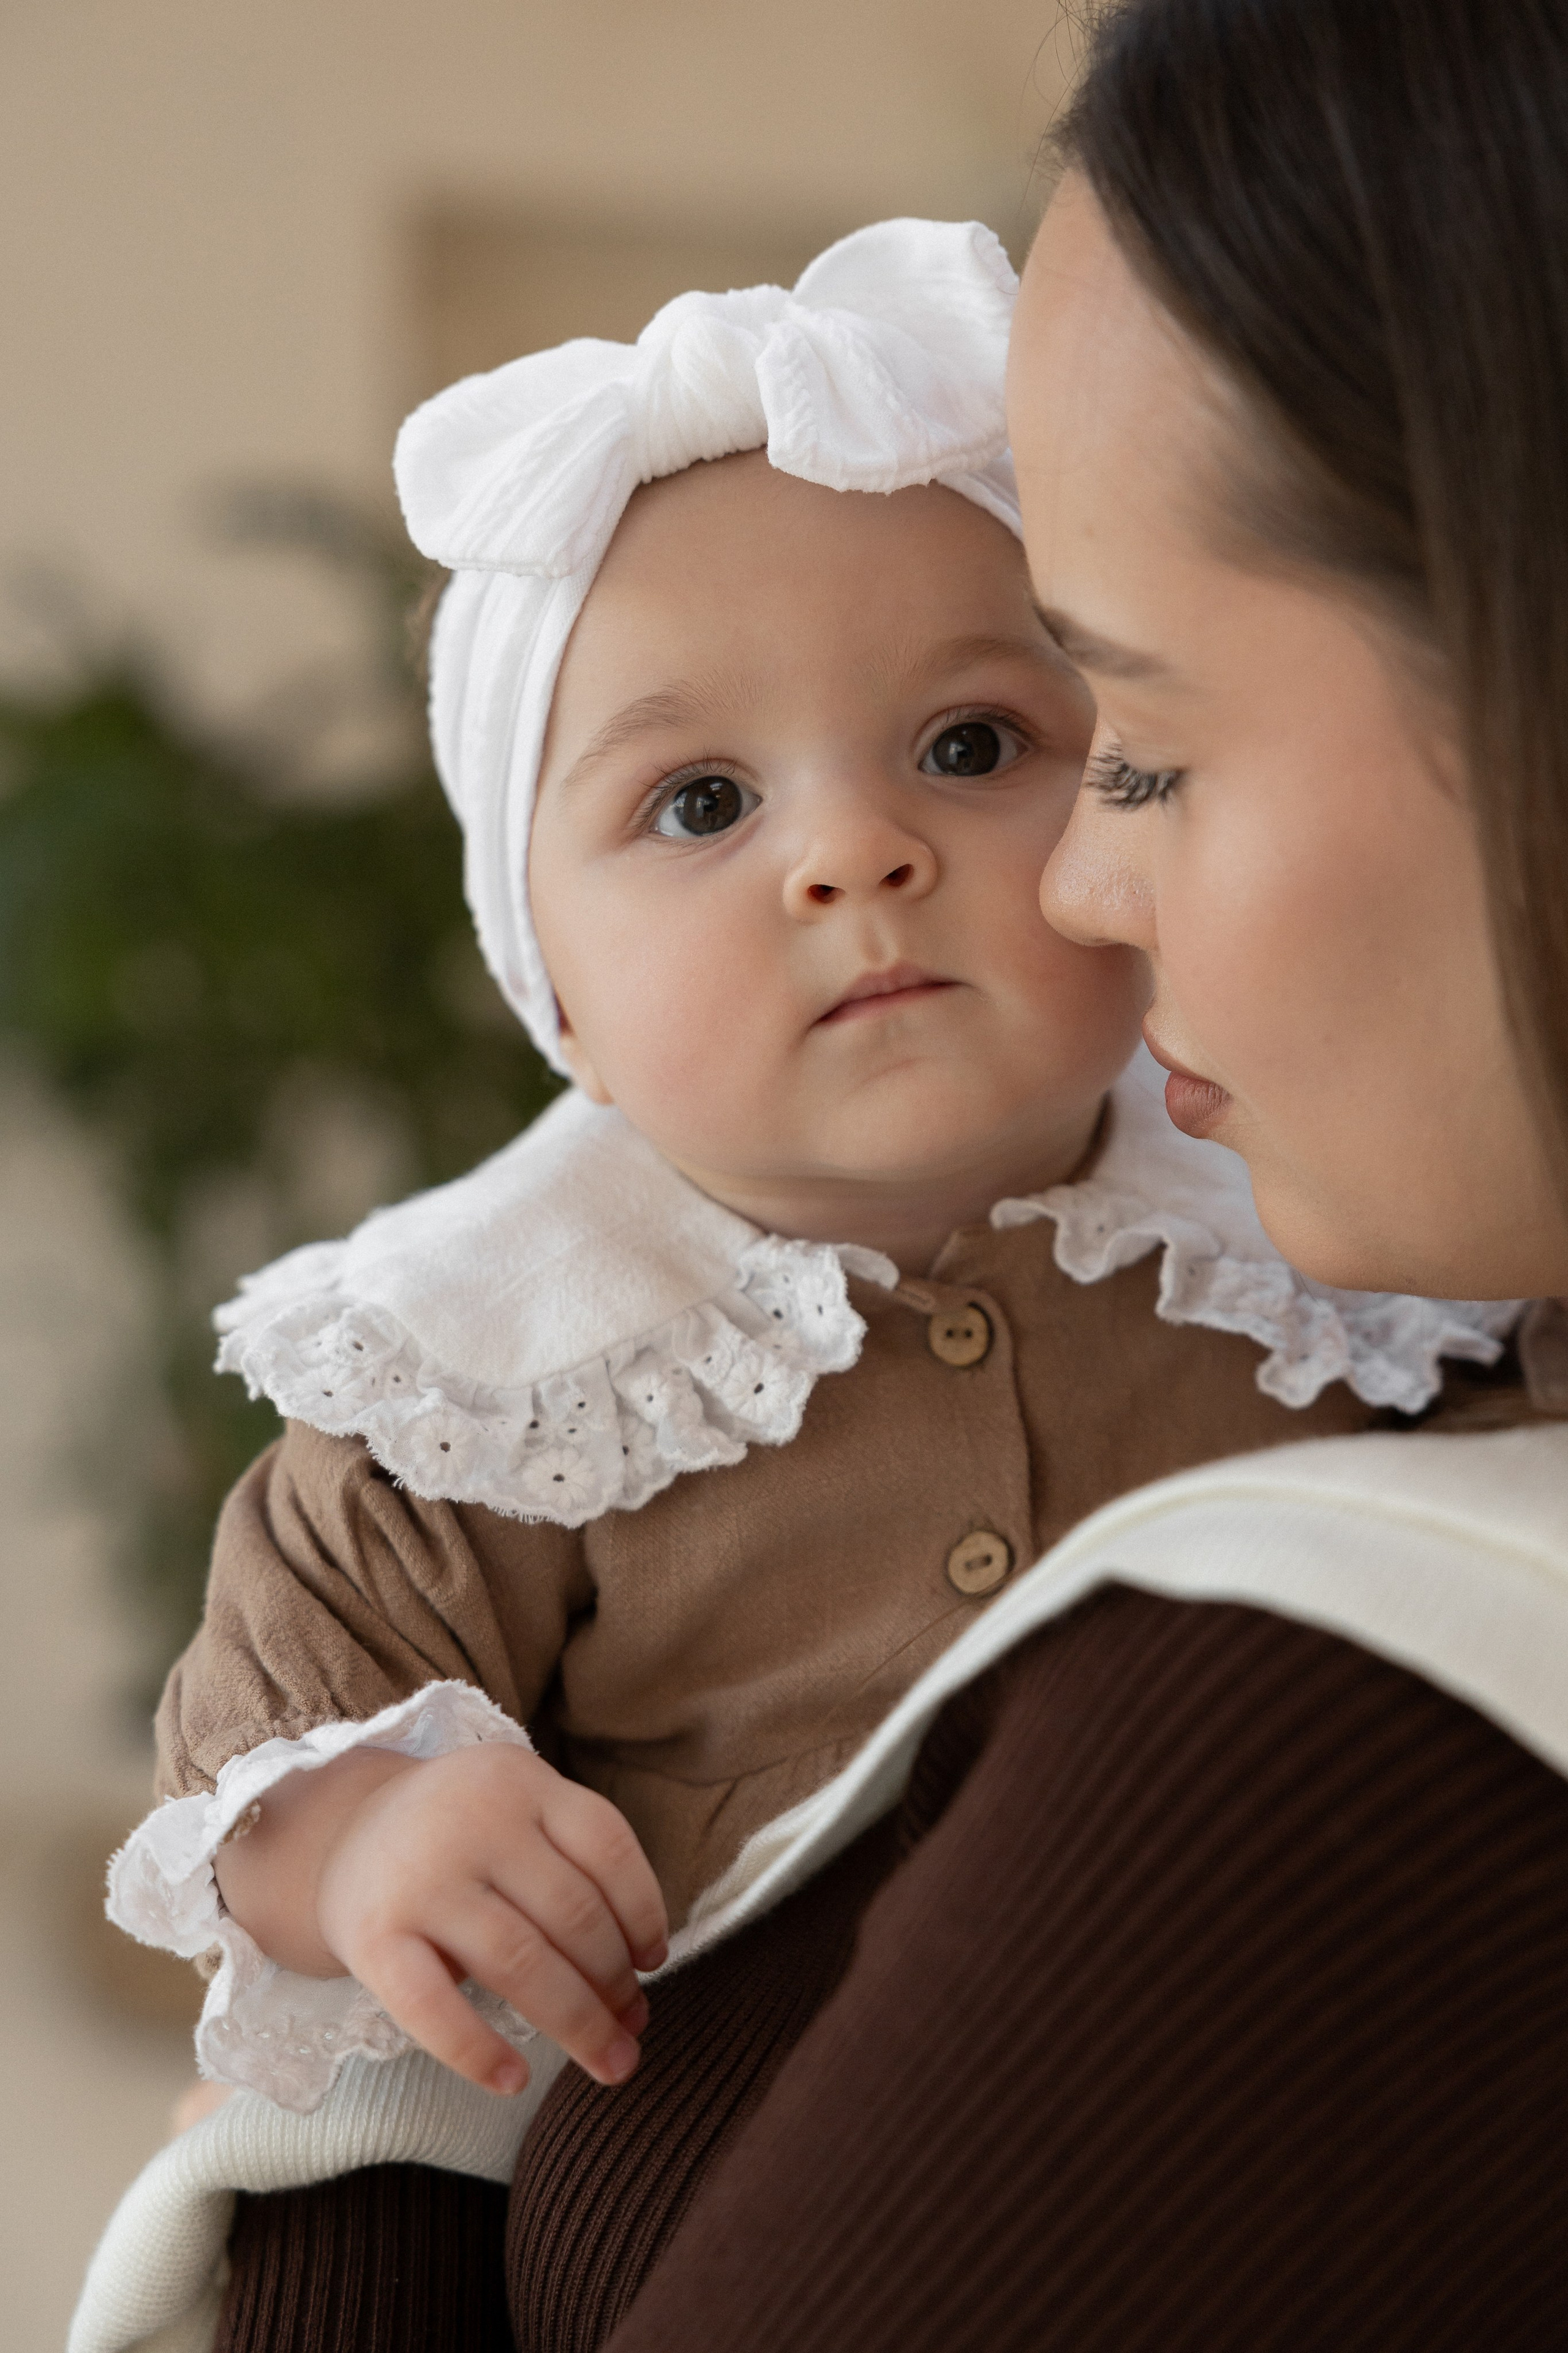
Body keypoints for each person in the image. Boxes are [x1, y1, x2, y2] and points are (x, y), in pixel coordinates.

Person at [70, 210, 1494, 2353]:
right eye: (703, 799)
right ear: (552, 991)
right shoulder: (490, 1350)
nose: (854, 856)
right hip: (658, 2193)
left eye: (968, 746)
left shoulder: (1324, 1227)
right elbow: (263, 1731)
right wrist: (377, 1828)